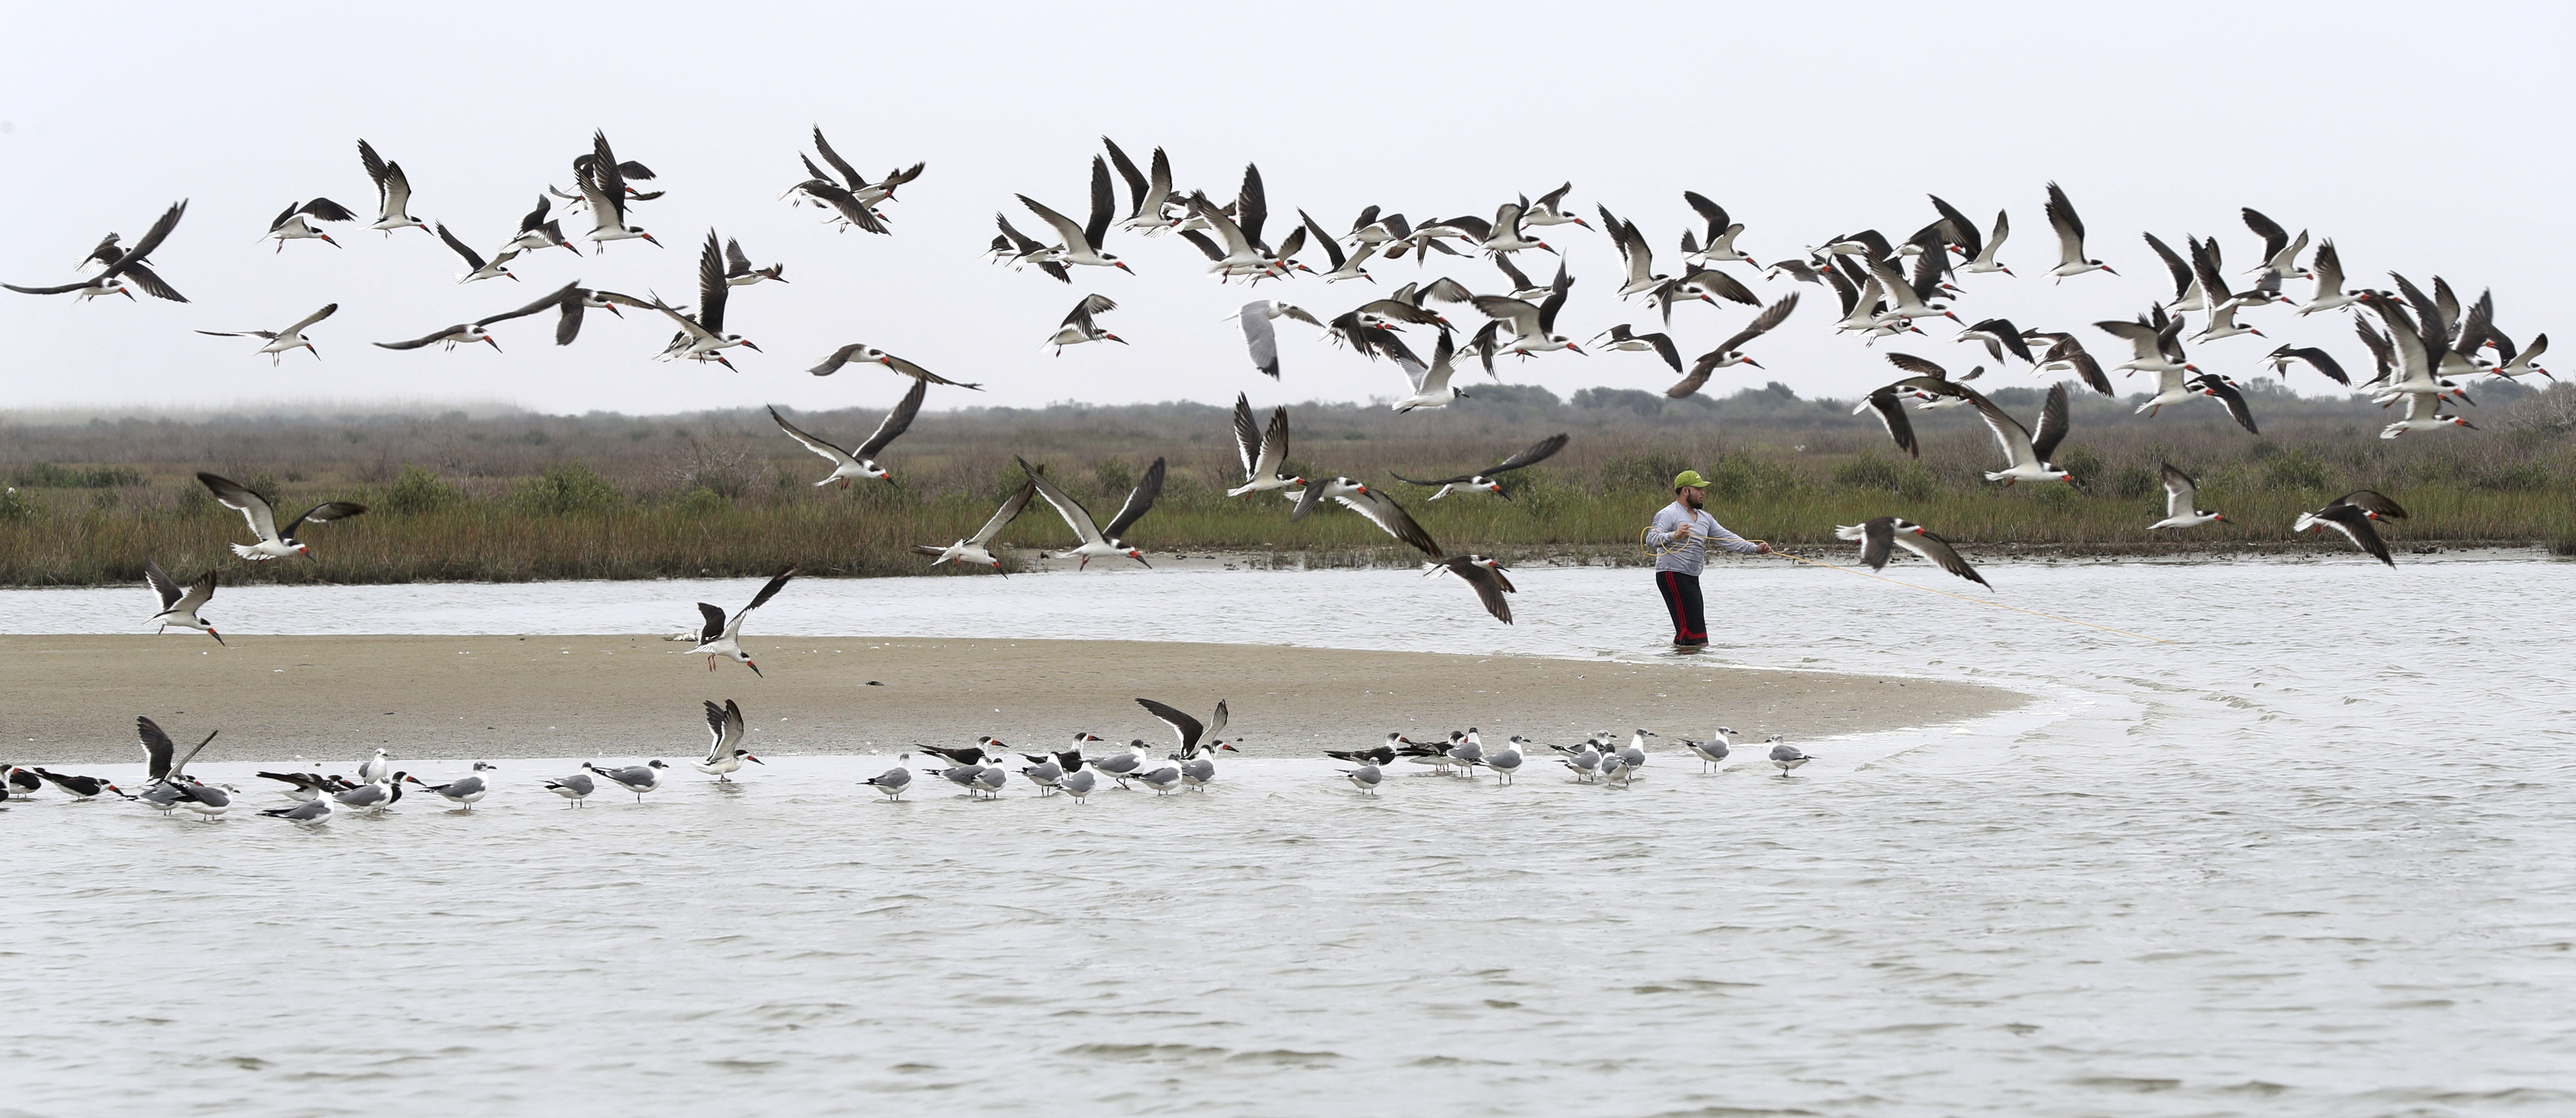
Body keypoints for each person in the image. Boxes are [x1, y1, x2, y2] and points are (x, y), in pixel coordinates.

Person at [1645, 470, 1769, 648]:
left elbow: (1728, 538)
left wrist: (1755, 549)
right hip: (1672, 574)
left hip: (1691, 577)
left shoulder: (1705, 518)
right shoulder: (1668, 514)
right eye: (1699, 489)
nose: (1703, 493)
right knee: (1695, 633)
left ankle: (1678, 661)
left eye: (1704, 489)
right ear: (1686, 491)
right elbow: (1650, 540)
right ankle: (1691, 666)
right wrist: (1674, 535)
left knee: (1690, 628)